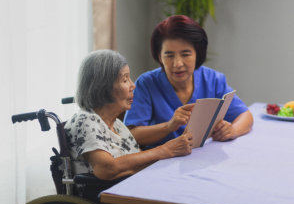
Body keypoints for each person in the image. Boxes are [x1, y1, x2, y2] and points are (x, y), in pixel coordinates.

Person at [124, 15, 253, 149]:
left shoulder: (213, 79)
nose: (178, 64)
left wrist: (232, 130)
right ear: (159, 57)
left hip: (202, 159)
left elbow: (245, 115)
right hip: (160, 162)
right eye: (169, 55)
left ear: (198, 54)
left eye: (185, 54)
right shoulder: (147, 83)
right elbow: (132, 134)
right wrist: (169, 126)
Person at [64, 49, 192, 184]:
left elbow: (138, 160)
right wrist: (165, 150)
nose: (133, 85)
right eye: (125, 79)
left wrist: (174, 153)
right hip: (106, 196)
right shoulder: (86, 120)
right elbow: (106, 169)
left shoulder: (117, 125)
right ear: (103, 87)